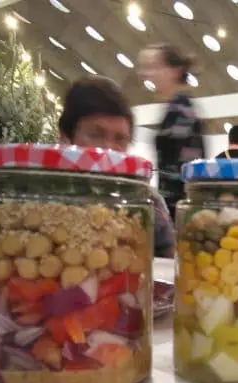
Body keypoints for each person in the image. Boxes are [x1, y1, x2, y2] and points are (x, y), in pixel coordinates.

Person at [58, 75, 175, 258]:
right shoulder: (41, 196)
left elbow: (168, 260)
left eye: (120, 139)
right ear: (65, 137)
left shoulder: (147, 200)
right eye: (95, 135)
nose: (109, 150)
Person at [138, 43, 206, 221]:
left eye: (154, 67)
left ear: (175, 71)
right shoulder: (177, 108)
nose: (147, 74)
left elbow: (183, 174)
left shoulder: (181, 111)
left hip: (177, 214)